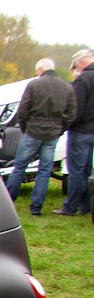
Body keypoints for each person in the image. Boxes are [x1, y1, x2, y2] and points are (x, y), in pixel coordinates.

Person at [5, 58, 77, 215]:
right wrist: (60, 129)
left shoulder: (34, 85)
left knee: (19, 167)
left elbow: (22, 110)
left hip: (33, 131)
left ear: (40, 70)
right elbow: (71, 113)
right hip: (53, 133)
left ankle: (8, 203)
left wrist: (25, 128)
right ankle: (36, 207)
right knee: (45, 170)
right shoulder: (66, 87)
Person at [53, 49, 94, 216]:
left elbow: (76, 109)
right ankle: (86, 206)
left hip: (81, 132)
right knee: (88, 171)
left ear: (80, 62)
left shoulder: (83, 79)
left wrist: (66, 125)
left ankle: (70, 207)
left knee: (76, 171)